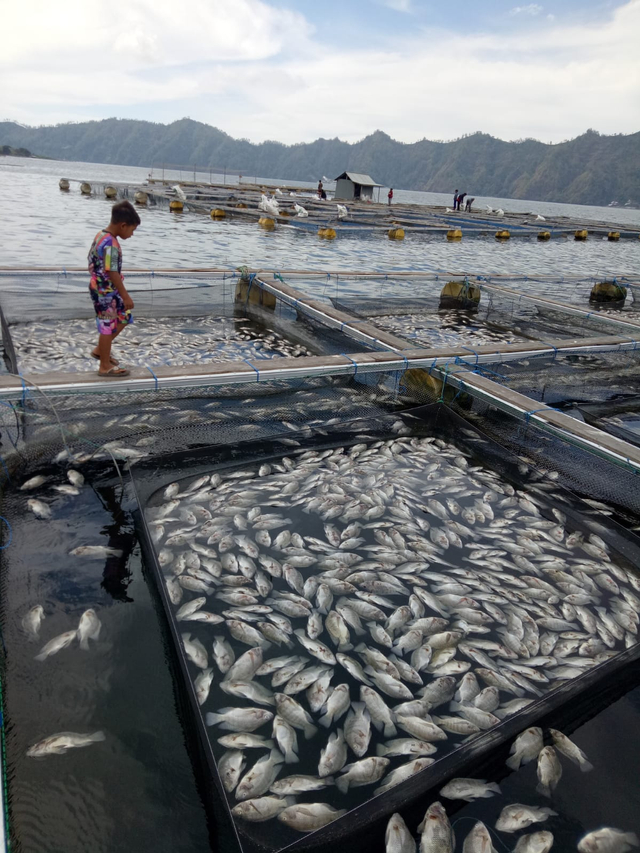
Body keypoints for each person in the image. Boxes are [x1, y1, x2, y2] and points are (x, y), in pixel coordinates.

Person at [88, 200, 140, 377]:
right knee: (107, 325)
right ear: (123, 225)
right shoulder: (110, 244)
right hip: (105, 291)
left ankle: (99, 350)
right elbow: (111, 271)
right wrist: (125, 296)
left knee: (124, 317)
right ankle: (104, 366)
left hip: (104, 288)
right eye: (132, 230)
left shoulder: (101, 236)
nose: (132, 235)